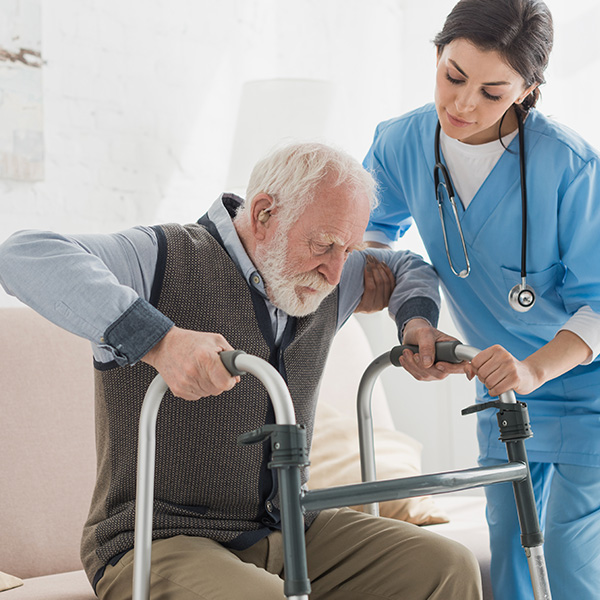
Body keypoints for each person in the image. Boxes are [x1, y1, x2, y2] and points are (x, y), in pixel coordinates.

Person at [0, 142, 481, 600]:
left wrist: (415, 320)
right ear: (265, 213)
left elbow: (406, 265)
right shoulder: (162, 258)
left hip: (288, 527)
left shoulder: (328, 274)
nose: (336, 273)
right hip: (158, 540)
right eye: (324, 244)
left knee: (447, 567)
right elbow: (23, 254)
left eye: (349, 250)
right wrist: (159, 341)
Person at [362, 1, 600, 599]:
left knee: (570, 555)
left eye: (493, 93)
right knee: (514, 548)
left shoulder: (570, 166)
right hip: (497, 384)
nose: (463, 105)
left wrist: (533, 367)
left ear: (528, 90)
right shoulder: (399, 143)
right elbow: (369, 237)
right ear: (437, 55)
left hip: (582, 382)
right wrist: (412, 315)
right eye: (453, 76)